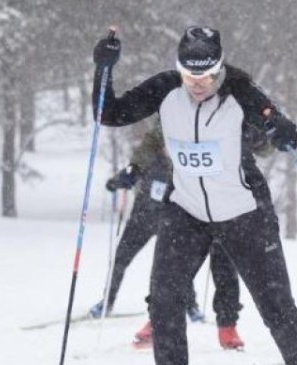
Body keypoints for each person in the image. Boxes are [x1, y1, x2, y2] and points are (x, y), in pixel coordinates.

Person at [92, 26, 297, 365]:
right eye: (190, 76)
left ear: (220, 69)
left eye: (208, 76)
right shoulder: (165, 89)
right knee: (163, 300)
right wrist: (103, 69)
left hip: (245, 213)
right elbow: (108, 114)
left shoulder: (240, 91)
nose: (199, 85)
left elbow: (278, 123)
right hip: (187, 211)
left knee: (278, 309)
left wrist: (283, 130)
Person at [91, 123, 246, 350]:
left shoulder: (187, 168)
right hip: (142, 220)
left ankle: (191, 308)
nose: (168, 149)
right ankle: (108, 301)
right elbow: (129, 172)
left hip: (172, 222)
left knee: (177, 266)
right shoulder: (150, 158)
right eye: (166, 145)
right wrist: (117, 182)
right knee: (121, 257)